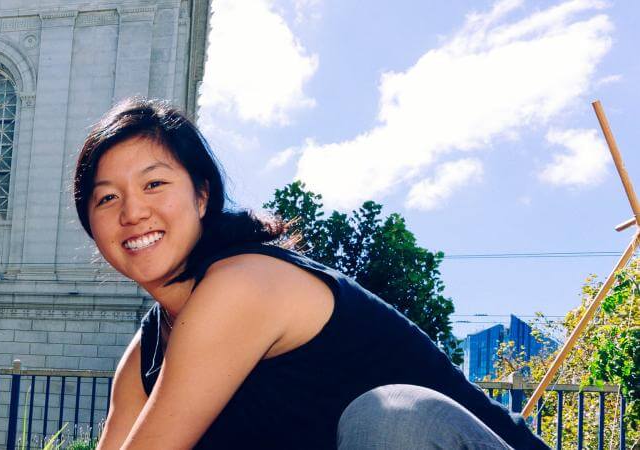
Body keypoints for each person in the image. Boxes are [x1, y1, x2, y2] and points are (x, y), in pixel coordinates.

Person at [75, 97, 546, 449]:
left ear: (202, 196)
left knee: (391, 419)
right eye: (107, 197)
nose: (133, 211)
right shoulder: (146, 353)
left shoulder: (242, 283)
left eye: (154, 184)